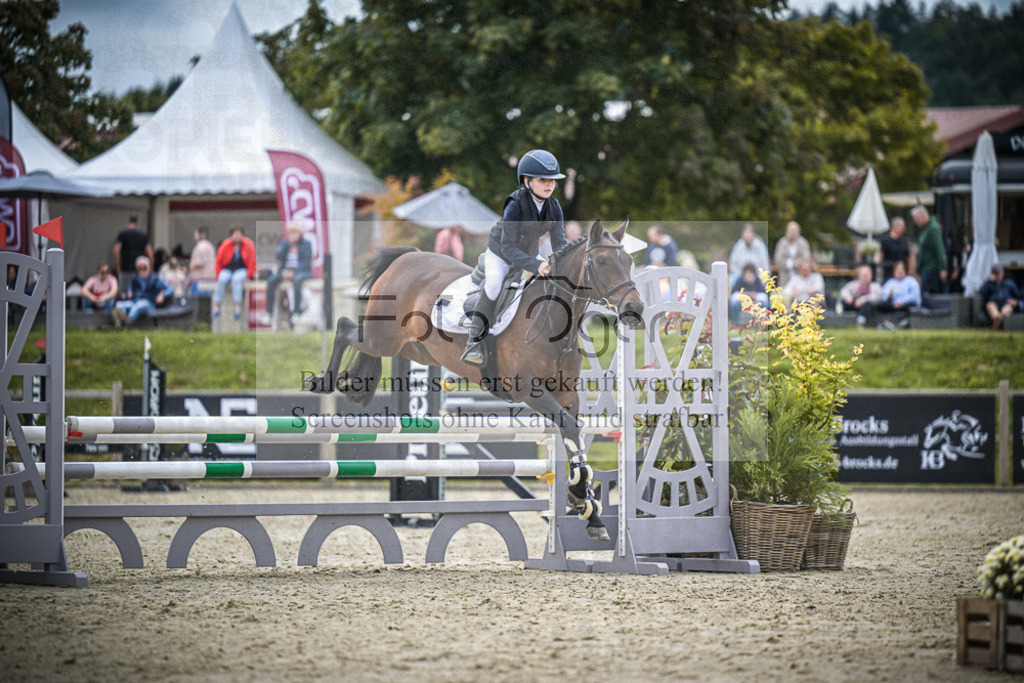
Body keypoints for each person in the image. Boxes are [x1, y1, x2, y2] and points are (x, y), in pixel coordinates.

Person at [461, 149, 567, 366]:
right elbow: (508, 247)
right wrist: (537, 264)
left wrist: (562, 264)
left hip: (528, 253)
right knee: (493, 285)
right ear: (527, 182)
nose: (549, 185)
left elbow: (560, 244)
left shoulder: (554, 206)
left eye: (552, 181)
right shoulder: (515, 204)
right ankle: (474, 340)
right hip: (500, 254)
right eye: (543, 180)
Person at [262, 221, 314, 328]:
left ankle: (296, 312)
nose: (292, 234)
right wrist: (286, 246)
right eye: (290, 232)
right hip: (285, 271)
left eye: (294, 232)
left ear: (300, 233)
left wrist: (293, 272)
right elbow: (279, 258)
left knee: (297, 280)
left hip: (302, 272)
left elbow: (305, 262)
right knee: (271, 280)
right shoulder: (285, 243)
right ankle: (269, 313)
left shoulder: (306, 244)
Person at [111, 256, 174, 327]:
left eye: (144, 268)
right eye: (139, 268)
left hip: (149, 303)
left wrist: (162, 294)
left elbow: (171, 289)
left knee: (138, 307)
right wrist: (130, 291)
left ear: (149, 268)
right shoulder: (134, 278)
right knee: (120, 305)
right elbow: (130, 289)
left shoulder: (156, 279)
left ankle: (126, 325)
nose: (142, 271)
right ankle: (120, 323)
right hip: (134, 301)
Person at [213, 225, 257, 320]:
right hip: (228, 269)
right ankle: (217, 306)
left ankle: (237, 307)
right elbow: (218, 261)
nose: (237, 236)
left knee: (236, 279)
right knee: (222, 279)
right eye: (235, 234)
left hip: (241, 269)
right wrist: (217, 276)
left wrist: (250, 276)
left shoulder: (248, 244)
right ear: (231, 235)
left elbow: (252, 262)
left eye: (239, 234)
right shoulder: (225, 245)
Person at [112, 215, 154, 292]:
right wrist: (150, 267)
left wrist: (118, 266)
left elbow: (116, 250)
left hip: (125, 268)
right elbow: (150, 253)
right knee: (139, 291)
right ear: (137, 223)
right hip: (140, 270)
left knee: (124, 293)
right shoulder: (143, 235)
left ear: (128, 223)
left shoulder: (122, 234)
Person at [912, 205, 946, 294]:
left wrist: (943, 268)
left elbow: (940, 249)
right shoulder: (924, 229)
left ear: (923, 216)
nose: (915, 222)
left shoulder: (933, 229)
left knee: (927, 296)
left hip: (932, 270)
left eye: (916, 218)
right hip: (925, 269)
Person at [979, 263, 1021, 330]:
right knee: (990, 305)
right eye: (995, 272)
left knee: (1007, 309)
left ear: (1002, 272)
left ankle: (997, 322)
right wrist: (989, 281)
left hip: (1007, 302)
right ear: (992, 273)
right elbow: (981, 293)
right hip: (994, 302)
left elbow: (1019, 296)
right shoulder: (989, 283)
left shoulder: (1009, 283)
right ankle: (997, 318)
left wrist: (1015, 301)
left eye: (998, 272)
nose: (997, 274)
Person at [773, 221, 812, 289]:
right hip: (784, 276)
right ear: (787, 231)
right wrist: (787, 264)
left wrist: (793, 264)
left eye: (794, 230)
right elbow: (778, 259)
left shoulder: (803, 243)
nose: (792, 232)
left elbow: (806, 258)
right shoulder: (782, 243)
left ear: (798, 232)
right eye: (790, 230)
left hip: (800, 275)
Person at [874, 216, 912, 281]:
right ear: (894, 227)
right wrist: (876, 260)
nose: (903, 229)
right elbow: (880, 254)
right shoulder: (885, 241)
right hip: (889, 275)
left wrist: (910, 272)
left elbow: (909, 257)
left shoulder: (904, 241)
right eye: (902, 227)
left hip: (903, 276)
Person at [188, 226, 216, 295]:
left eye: (195, 234)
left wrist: (189, 268)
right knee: (208, 303)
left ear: (198, 234)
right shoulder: (210, 245)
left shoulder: (200, 246)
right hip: (210, 279)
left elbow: (198, 263)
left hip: (200, 281)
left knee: (198, 304)